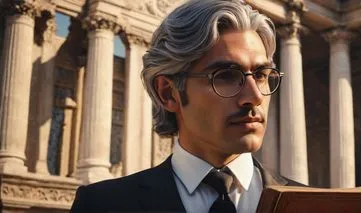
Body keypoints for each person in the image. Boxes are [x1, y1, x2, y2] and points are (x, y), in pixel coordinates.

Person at [70, 0, 303, 212]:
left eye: (262, 75)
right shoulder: (101, 205)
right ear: (168, 93)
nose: (254, 96)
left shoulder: (314, 205)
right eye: (226, 76)